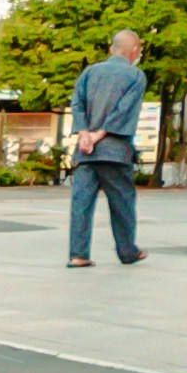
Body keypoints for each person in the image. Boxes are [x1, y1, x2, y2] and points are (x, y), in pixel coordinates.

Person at [65, 26, 151, 270]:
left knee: (81, 203)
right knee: (122, 202)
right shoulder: (136, 76)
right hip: (114, 151)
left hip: (85, 151)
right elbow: (124, 110)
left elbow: (77, 102)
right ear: (134, 51)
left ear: (111, 48)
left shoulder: (90, 72)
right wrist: (99, 134)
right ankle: (127, 251)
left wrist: (84, 134)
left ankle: (77, 254)